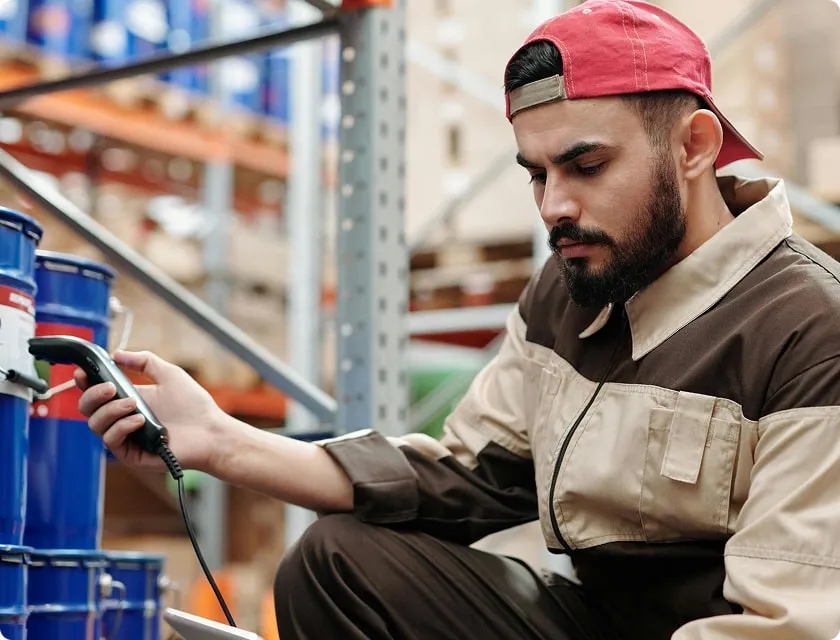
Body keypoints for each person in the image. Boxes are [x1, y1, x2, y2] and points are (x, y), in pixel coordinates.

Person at [75, 1, 840, 638]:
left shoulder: (808, 327)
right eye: (536, 174)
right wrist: (223, 442)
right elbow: (471, 476)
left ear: (695, 148)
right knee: (336, 562)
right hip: (594, 616)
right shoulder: (573, 288)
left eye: (586, 165)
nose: (553, 207)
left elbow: (789, 625)